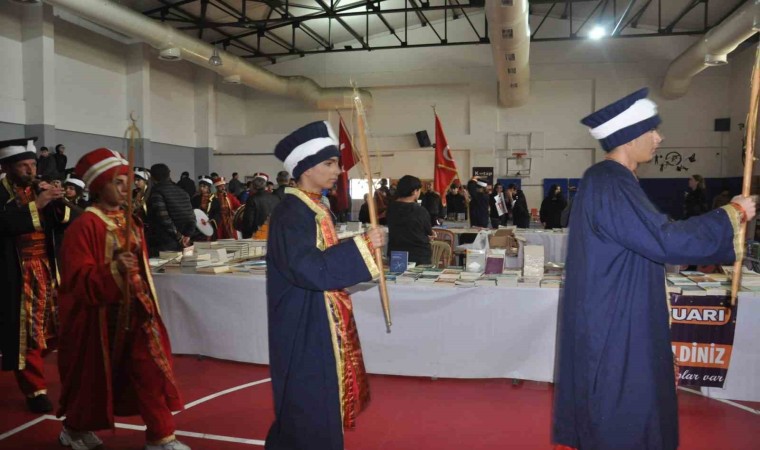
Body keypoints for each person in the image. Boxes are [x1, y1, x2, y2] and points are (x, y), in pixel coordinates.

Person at [552, 88, 755, 450]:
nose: (659, 138)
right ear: (630, 137)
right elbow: (663, 239)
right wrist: (732, 214)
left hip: (618, 310)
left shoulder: (613, 181)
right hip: (616, 320)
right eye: (652, 130)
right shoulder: (610, 182)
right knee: (622, 406)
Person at [57, 147, 189, 450]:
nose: (126, 188)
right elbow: (76, 282)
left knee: (150, 372)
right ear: (98, 186)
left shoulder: (130, 220)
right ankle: (74, 429)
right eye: (117, 182)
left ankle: (161, 436)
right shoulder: (84, 226)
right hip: (100, 320)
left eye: (127, 181)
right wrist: (115, 270)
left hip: (138, 312)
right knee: (92, 379)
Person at [266, 121, 384, 450]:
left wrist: (359, 245)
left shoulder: (314, 205)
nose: (338, 171)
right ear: (306, 168)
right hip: (303, 318)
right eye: (329, 163)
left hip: (319, 315)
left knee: (320, 397)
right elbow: (308, 268)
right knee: (308, 400)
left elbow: (320, 255)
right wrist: (362, 246)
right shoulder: (291, 213)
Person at [0, 137, 67, 413]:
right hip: (16, 272)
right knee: (26, 331)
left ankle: (33, 368)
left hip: (47, 269)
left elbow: (63, 222)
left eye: (33, 164)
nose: (31, 170)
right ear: (6, 167)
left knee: (50, 329)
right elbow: (6, 223)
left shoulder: (38, 187)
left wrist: (57, 200)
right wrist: (37, 204)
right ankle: (34, 389)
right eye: (23, 166)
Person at [145, 163, 195, 256]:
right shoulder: (182, 192)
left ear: (153, 177)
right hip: (182, 242)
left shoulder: (157, 193)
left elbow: (164, 219)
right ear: (169, 174)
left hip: (162, 242)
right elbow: (192, 217)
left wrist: (179, 237)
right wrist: (187, 235)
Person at [387, 175, 433, 265]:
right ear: (414, 191)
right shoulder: (420, 211)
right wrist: (431, 234)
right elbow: (428, 232)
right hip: (419, 255)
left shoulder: (391, 208)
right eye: (419, 190)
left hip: (397, 255)